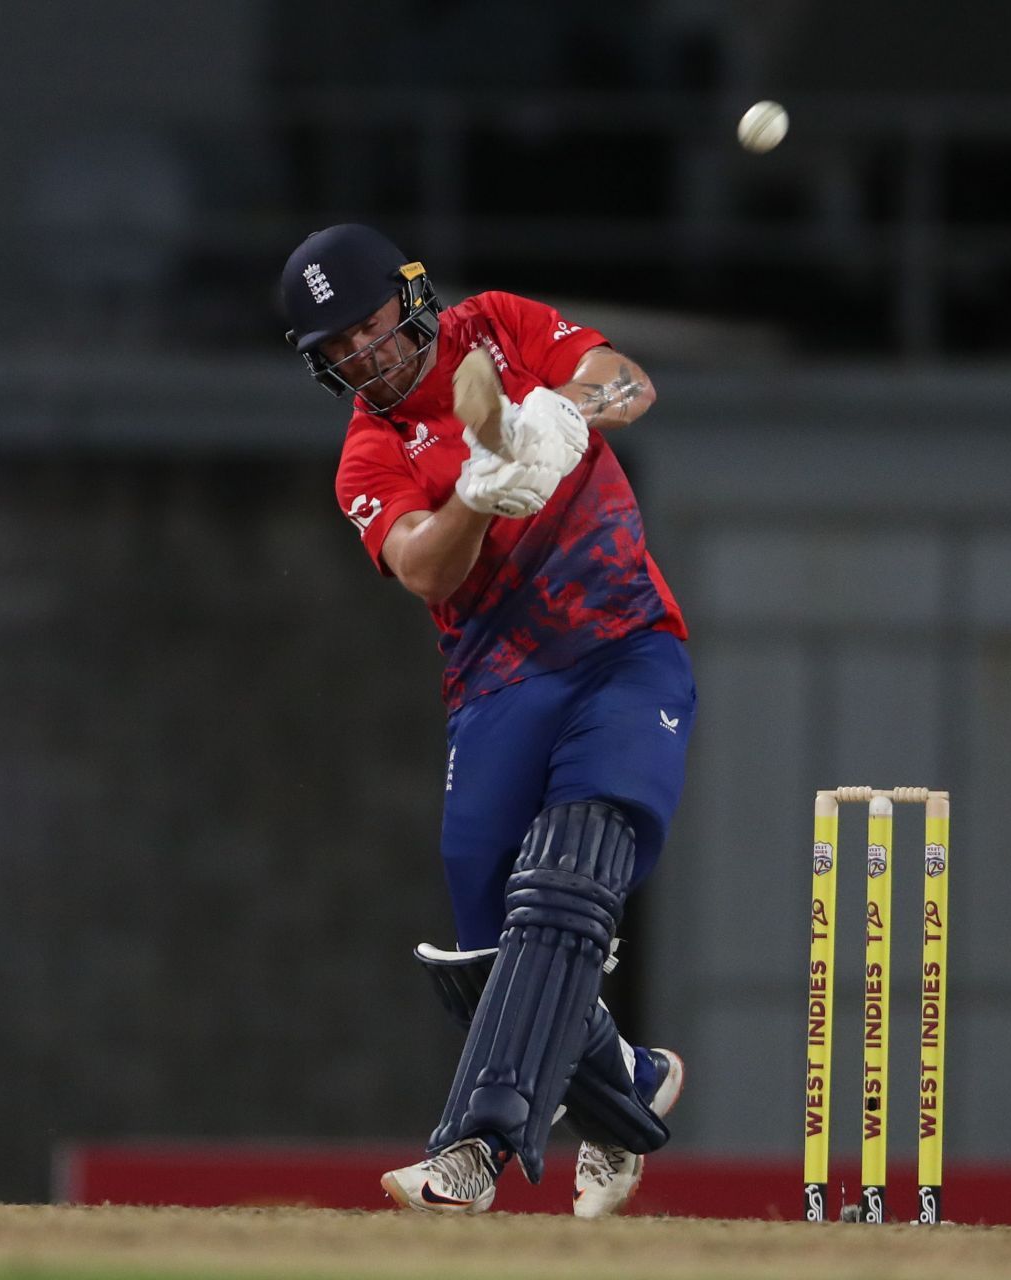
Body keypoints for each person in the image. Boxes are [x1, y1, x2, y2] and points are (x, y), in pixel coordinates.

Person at [279, 224, 693, 1216]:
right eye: (335, 347)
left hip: (625, 649)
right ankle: (626, 1087)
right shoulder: (367, 456)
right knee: (488, 962)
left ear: (410, 298)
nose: (361, 356)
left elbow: (628, 384)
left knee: (567, 878)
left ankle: (470, 1147)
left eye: (369, 327)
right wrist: (482, 490)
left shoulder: (498, 329)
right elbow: (426, 565)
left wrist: (559, 413)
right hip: (498, 686)